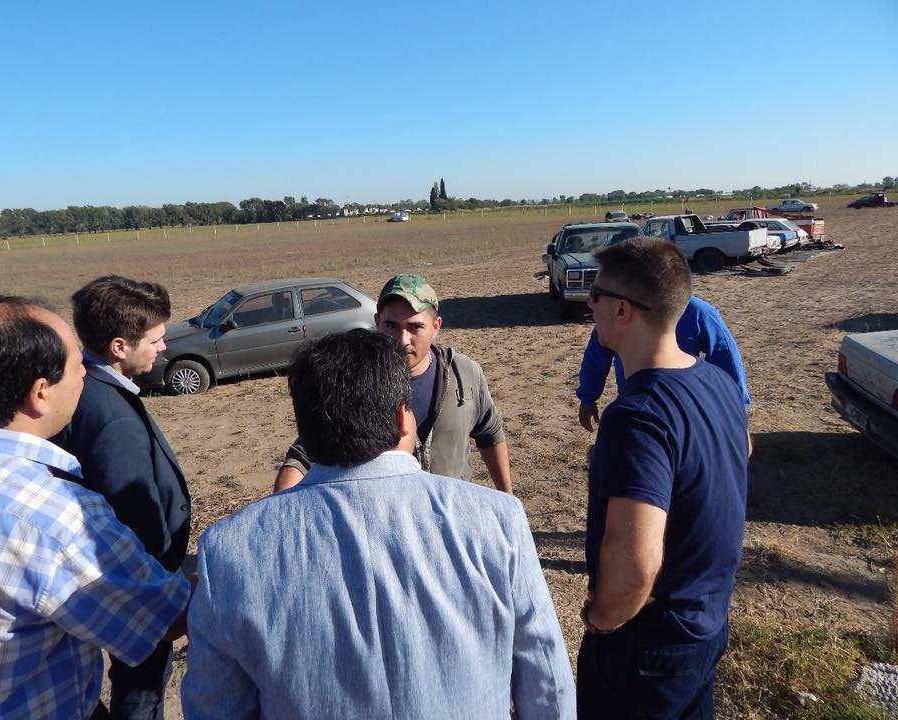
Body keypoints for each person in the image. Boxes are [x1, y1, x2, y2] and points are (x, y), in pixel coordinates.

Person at [181, 329, 575, 719]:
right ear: (405, 419)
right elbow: (548, 685)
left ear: (305, 433)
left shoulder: (229, 550)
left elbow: (213, 707)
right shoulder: (496, 520)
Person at [0, 296, 190, 720]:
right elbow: (160, 617)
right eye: (78, 365)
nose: (86, 373)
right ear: (40, 393)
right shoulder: (53, 517)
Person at [576, 239, 749, 718]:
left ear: (622, 310)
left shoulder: (637, 416)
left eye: (596, 294)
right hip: (706, 622)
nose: (590, 305)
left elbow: (634, 565)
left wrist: (602, 621)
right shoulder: (717, 382)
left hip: (650, 648)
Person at [53, 275, 191, 720]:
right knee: (142, 685)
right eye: (155, 340)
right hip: (139, 581)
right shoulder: (110, 413)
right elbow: (133, 510)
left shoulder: (84, 388)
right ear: (118, 346)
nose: (163, 347)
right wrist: (160, 589)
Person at [274, 272, 512, 493]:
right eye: (391, 326)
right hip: (390, 517)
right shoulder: (356, 376)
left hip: (452, 513)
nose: (402, 339)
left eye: (415, 327)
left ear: (436, 326)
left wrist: (508, 497)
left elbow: (490, 433)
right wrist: (283, 506)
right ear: (377, 322)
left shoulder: (465, 372)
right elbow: (304, 454)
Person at [576, 294, 750, 431]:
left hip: (687, 413)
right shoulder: (620, 312)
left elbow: (726, 359)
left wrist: (736, 411)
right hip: (637, 411)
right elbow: (596, 357)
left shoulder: (697, 312)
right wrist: (588, 397)